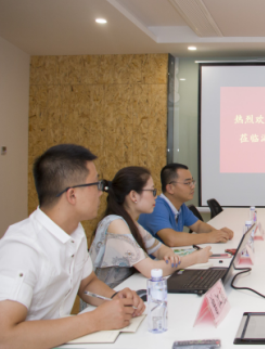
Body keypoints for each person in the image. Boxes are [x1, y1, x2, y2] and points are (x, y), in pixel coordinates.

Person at [0, 144, 145, 348]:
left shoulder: (75, 231)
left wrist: (116, 299)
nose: (101, 193)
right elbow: (5, 337)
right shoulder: (22, 246)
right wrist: (94, 320)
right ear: (72, 195)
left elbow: (86, 283)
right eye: (96, 184)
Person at [90, 167, 213, 289]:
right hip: (110, 297)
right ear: (133, 195)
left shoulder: (130, 222)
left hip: (127, 290)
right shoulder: (115, 224)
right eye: (152, 191)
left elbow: (159, 249)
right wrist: (195, 258)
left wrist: (169, 255)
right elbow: (151, 270)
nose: (155, 197)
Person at [138, 163, 234, 247]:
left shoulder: (180, 206)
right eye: (187, 183)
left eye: (192, 182)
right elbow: (171, 240)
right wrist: (209, 237)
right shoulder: (156, 207)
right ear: (170, 188)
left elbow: (198, 226)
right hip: (153, 261)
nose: (193, 186)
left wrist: (218, 233)